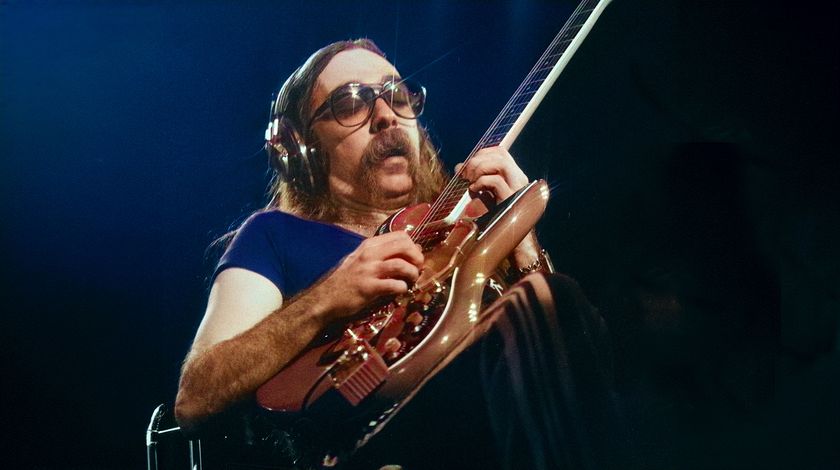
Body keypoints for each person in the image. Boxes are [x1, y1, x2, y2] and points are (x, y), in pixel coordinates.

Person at [174, 39, 552, 467]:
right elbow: (196, 397)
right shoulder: (274, 235)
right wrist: (329, 296)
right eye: (351, 103)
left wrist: (521, 238)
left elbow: (564, 362)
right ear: (302, 148)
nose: (386, 115)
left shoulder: (474, 225)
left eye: (398, 95)